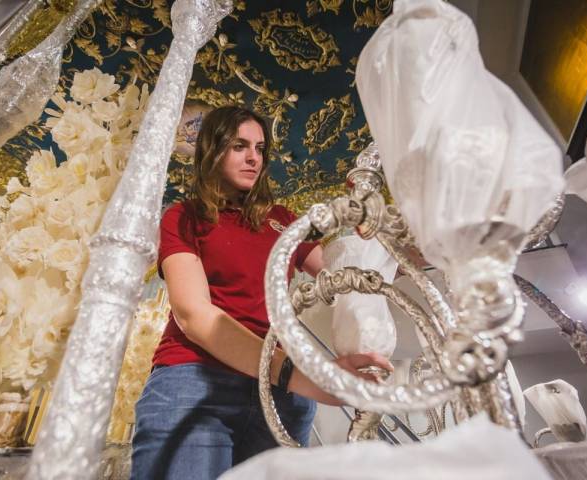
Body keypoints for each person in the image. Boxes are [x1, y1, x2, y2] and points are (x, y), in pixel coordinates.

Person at [130, 106, 392, 480]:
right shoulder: (183, 217)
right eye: (239, 145)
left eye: (260, 148)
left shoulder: (283, 219)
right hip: (198, 382)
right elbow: (194, 317)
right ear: (212, 150)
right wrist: (306, 376)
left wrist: (377, 239)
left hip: (281, 399)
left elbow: (343, 277)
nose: (254, 157)